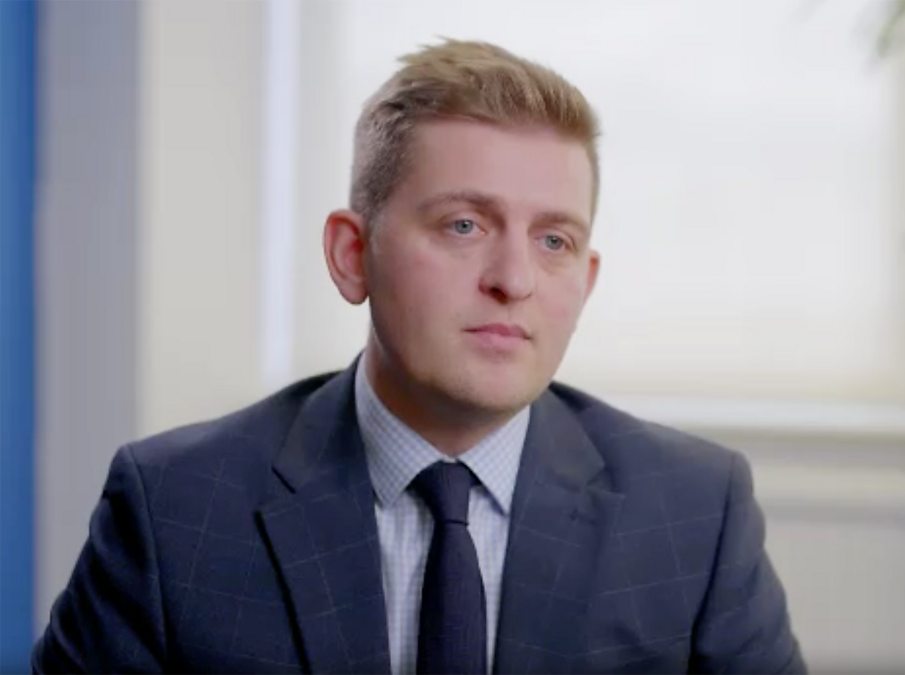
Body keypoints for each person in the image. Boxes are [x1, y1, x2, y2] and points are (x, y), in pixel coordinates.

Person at [33, 39, 804, 674]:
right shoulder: (173, 510)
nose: (514, 279)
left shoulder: (695, 513)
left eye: (554, 240)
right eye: (464, 225)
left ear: (586, 280)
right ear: (352, 254)